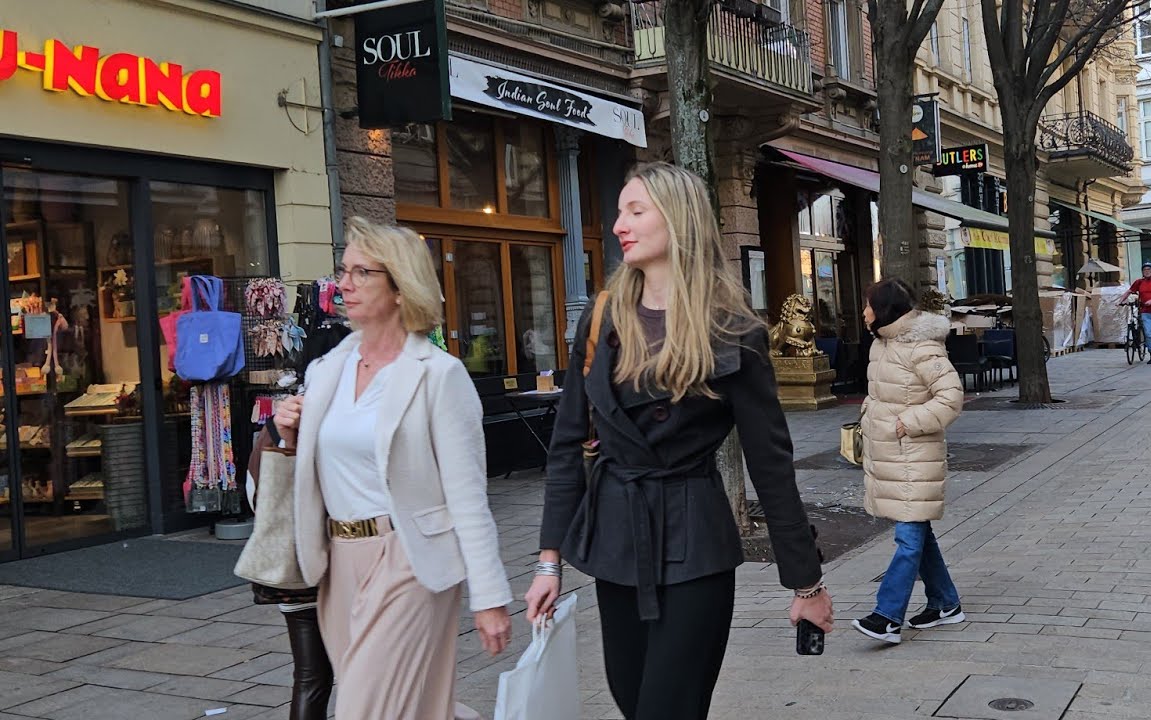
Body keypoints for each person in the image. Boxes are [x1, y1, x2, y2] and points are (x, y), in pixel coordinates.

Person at [525, 162, 834, 720]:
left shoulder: (733, 329)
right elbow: (569, 443)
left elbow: (770, 461)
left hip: (696, 541)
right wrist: (550, 562)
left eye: (635, 211)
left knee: (668, 709)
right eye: (620, 211)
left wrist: (805, 583)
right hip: (617, 539)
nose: (619, 224)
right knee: (631, 698)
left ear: (678, 220)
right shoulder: (601, 318)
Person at [273, 217, 513, 720]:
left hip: (408, 556)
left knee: (364, 710)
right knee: (415, 710)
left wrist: (489, 596)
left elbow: (468, 496)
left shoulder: (438, 376)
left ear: (401, 287)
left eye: (362, 272)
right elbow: (322, 469)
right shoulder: (326, 371)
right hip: (338, 561)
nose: (344, 284)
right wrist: (291, 435)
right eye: (344, 271)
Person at [851, 279, 965, 645]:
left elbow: (951, 396)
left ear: (882, 309)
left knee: (909, 538)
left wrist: (908, 421)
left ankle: (887, 616)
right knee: (919, 531)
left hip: (914, 457)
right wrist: (873, 407)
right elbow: (890, 390)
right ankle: (946, 603)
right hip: (894, 456)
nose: (863, 311)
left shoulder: (920, 347)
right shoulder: (881, 343)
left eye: (868, 304)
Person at [1116, 261, 1151, 365]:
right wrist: (1120, 301)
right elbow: (1129, 292)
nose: (1147, 271)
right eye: (1144, 270)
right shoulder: (1139, 282)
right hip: (1145, 312)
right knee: (1148, 334)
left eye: (1149, 269)